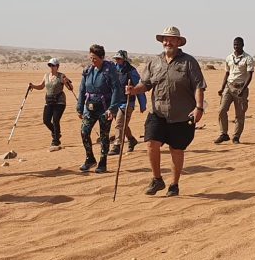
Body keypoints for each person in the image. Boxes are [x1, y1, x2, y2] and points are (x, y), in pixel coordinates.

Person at [126, 26, 207, 197]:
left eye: (171, 39)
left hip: (182, 115)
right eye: (165, 39)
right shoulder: (154, 62)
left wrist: (199, 108)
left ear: (178, 42)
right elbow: (146, 84)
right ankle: (157, 179)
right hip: (158, 112)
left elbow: (198, 86)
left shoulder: (188, 62)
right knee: (151, 143)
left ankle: (174, 184)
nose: (167, 42)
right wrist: (133, 90)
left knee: (176, 150)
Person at [77, 44, 121, 173]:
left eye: (95, 58)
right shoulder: (88, 71)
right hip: (89, 107)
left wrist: (112, 109)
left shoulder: (110, 71)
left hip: (104, 108)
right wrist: (80, 107)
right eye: (91, 57)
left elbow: (116, 89)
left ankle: (103, 162)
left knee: (104, 136)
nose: (92, 60)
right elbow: (82, 90)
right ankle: (90, 158)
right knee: (84, 132)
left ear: (102, 57)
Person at [215, 37, 254, 144]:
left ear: (243, 45)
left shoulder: (248, 58)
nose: (236, 46)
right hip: (229, 86)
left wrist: (243, 88)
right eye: (234, 44)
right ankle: (224, 134)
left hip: (241, 88)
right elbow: (227, 73)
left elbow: (250, 75)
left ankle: (236, 136)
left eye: (238, 44)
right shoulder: (229, 57)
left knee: (240, 114)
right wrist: (222, 88)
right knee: (222, 110)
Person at [108, 50, 147, 156]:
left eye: (119, 58)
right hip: (116, 102)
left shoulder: (131, 71)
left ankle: (117, 145)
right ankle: (131, 139)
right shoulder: (113, 70)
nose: (117, 60)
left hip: (127, 103)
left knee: (119, 123)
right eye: (116, 58)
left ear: (124, 59)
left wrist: (142, 104)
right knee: (122, 124)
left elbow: (139, 88)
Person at [29, 58, 74, 147]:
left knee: (56, 120)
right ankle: (56, 133)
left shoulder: (61, 76)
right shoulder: (46, 76)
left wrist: (67, 82)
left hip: (60, 101)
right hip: (49, 101)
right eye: (50, 65)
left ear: (57, 66)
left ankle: (56, 140)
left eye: (53, 65)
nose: (51, 67)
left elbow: (70, 88)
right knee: (46, 120)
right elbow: (41, 86)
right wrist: (32, 86)